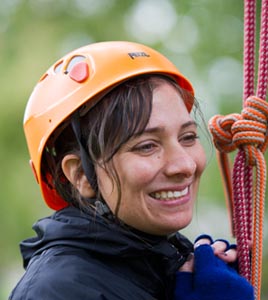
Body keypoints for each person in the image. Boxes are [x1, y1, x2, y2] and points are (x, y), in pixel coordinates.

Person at [9, 41, 254, 300]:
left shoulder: (165, 265)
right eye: (147, 146)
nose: (184, 165)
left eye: (188, 137)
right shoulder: (57, 292)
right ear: (81, 174)